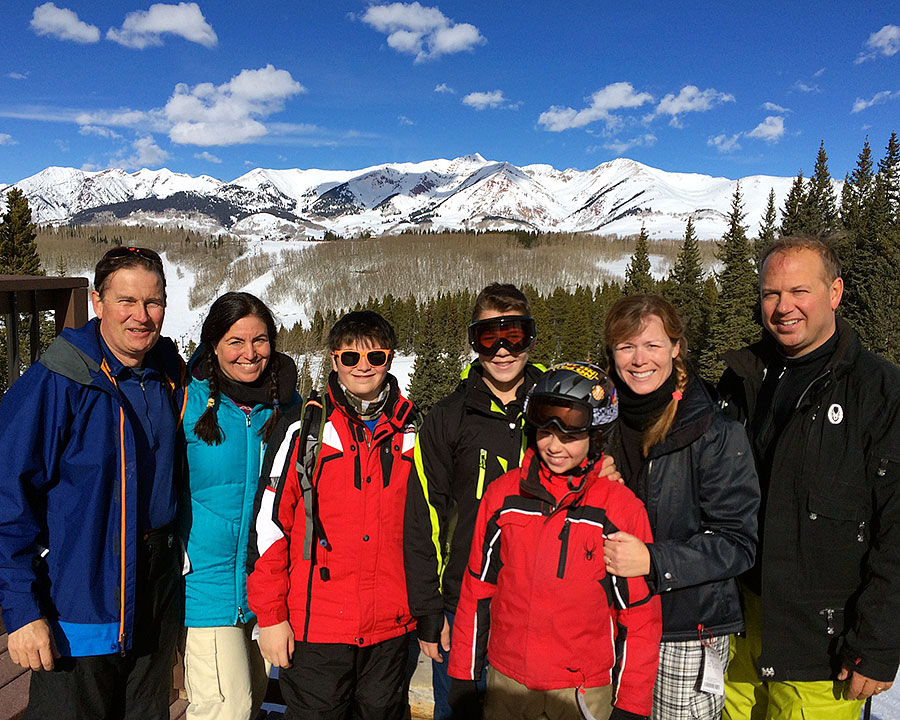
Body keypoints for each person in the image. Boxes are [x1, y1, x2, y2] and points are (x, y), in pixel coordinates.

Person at [0, 246, 187, 720]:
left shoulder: (165, 368)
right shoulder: (58, 382)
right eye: (126, 301)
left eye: (153, 302)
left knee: (146, 709)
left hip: (157, 581)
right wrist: (21, 610)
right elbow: (7, 498)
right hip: (82, 585)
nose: (141, 316)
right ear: (98, 303)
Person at [718, 236, 900, 719]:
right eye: (771, 293)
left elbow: (898, 526)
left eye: (800, 291)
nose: (783, 307)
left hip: (821, 640)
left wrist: (878, 642)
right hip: (739, 620)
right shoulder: (743, 376)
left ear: (835, 293)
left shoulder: (880, 391)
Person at [447, 363, 662, 720]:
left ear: (595, 435)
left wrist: (631, 703)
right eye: (545, 431)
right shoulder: (504, 497)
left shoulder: (618, 509)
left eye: (570, 435)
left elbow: (639, 617)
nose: (554, 445)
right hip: (508, 683)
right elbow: (476, 592)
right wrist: (464, 675)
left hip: (582, 691)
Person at [247, 310, 418, 719]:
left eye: (375, 358)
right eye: (350, 357)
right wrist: (270, 618)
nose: (363, 367)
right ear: (333, 359)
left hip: (390, 626)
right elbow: (270, 527)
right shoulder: (305, 428)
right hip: (316, 629)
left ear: (390, 359)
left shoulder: (412, 430)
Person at [601, 294, 759, 720]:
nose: (639, 360)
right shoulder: (600, 425)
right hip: (609, 617)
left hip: (685, 626)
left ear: (676, 348)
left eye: (652, 345)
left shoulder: (712, 431)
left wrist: (653, 560)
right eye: (626, 346)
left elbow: (737, 542)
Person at [403, 283, 546, 719]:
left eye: (514, 335)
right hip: (462, 604)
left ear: (530, 337)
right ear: (473, 342)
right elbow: (423, 516)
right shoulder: (450, 416)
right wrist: (430, 611)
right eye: (489, 337)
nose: (502, 350)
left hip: (538, 605)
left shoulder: (556, 409)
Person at [180, 292, 299, 720]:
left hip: (263, 584)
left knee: (247, 704)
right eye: (235, 341)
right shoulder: (186, 401)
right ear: (213, 344)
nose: (250, 354)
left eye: (260, 340)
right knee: (224, 709)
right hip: (207, 586)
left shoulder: (287, 405)